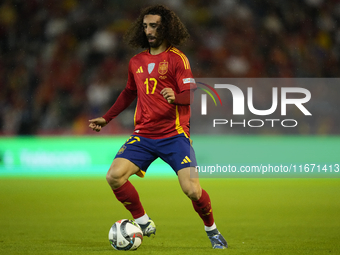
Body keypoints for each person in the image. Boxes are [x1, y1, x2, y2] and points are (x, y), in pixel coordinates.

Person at [88, 5, 227, 249]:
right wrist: (107, 118)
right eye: (145, 26)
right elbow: (129, 92)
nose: (149, 30)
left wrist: (176, 96)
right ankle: (142, 222)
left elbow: (190, 95)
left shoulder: (178, 59)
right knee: (114, 177)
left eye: (154, 25)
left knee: (192, 190)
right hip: (143, 135)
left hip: (174, 136)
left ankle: (212, 230)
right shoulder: (136, 61)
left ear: (166, 27)